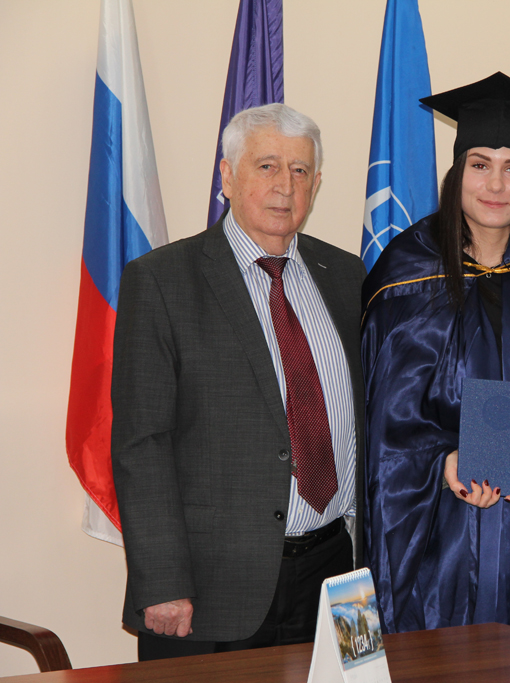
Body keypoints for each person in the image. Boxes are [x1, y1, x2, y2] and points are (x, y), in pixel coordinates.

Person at [111, 103, 366, 660]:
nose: (284, 186)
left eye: (299, 170)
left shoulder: (348, 276)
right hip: (210, 588)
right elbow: (140, 443)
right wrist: (161, 579)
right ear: (227, 176)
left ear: (317, 184)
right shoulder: (161, 281)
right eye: (266, 166)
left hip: (338, 573)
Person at [361, 72, 510, 640]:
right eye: (480, 164)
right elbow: (381, 419)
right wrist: (441, 461)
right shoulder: (404, 278)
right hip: (437, 538)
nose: (496, 184)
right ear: (456, 174)